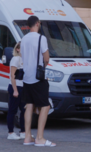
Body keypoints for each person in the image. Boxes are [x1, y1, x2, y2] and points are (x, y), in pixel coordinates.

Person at [21, 16, 56, 147]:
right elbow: (46, 59)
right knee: (45, 106)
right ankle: (39, 138)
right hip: (38, 78)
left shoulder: (23, 39)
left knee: (29, 105)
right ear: (37, 23)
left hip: (26, 77)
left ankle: (27, 137)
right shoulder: (41, 38)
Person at [7, 42, 26, 140]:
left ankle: (23, 131)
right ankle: (10, 132)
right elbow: (12, 76)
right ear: (17, 49)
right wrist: (15, 90)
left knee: (24, 110)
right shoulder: (15, 59)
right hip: (16, 87)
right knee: (13, 110)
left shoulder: (25, 60)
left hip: (23, 88)